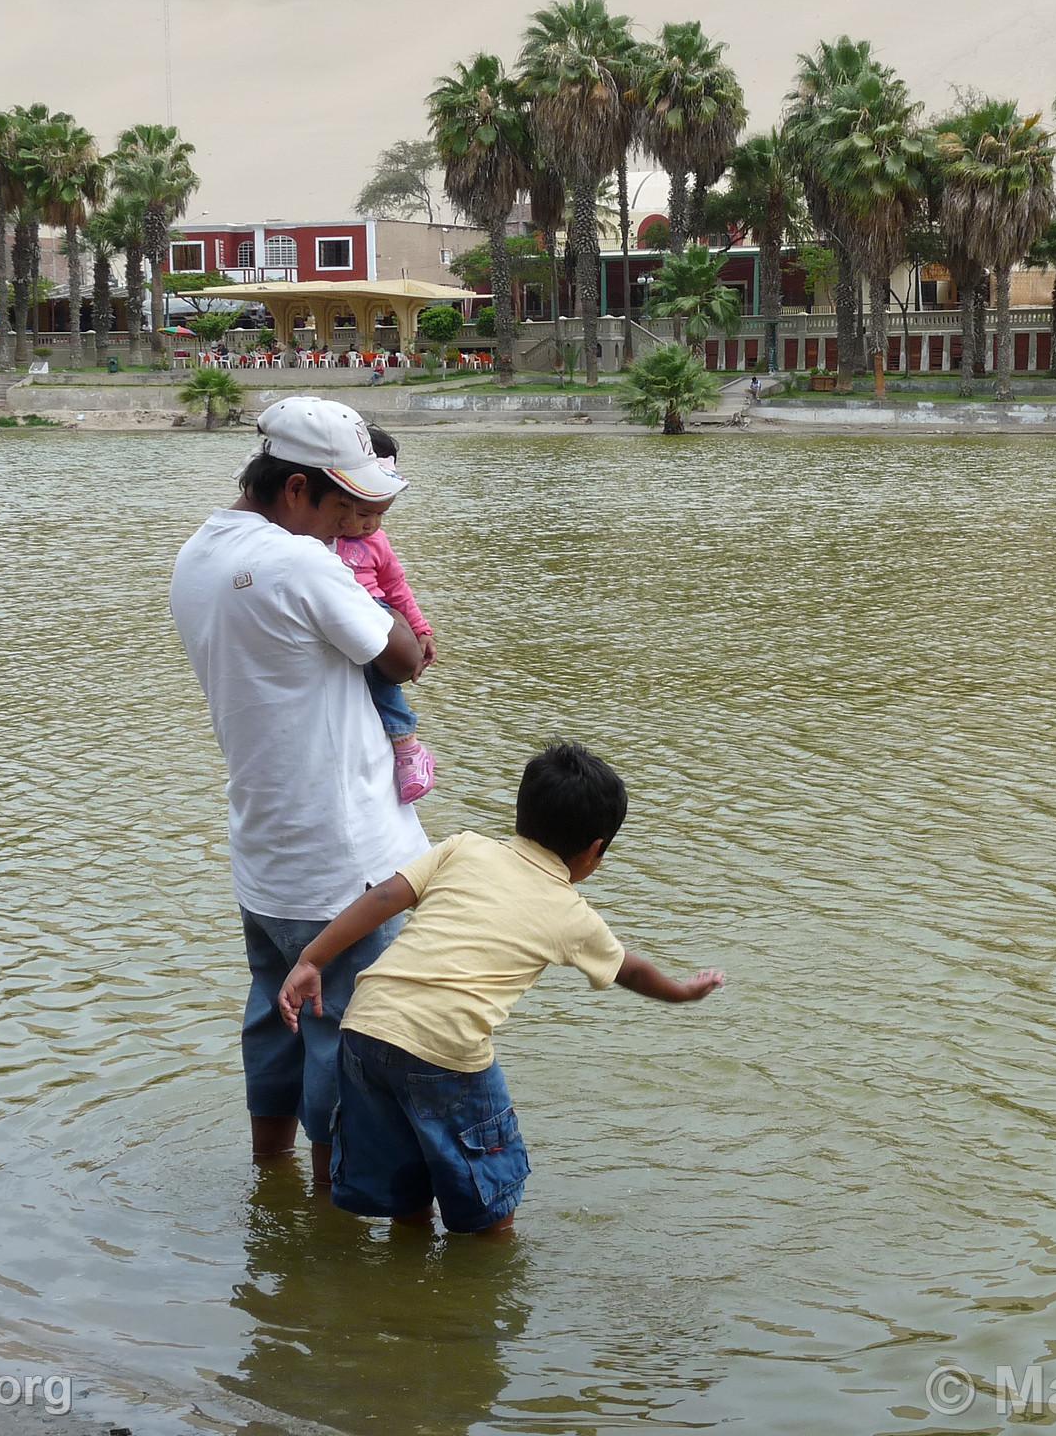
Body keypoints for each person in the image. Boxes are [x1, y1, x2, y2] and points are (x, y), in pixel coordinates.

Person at [277, 743, 725, 1234]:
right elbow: (629, 969)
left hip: (366, 1027)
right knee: (490, 1204)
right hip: (446, 1049)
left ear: (521, 810)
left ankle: (401, 1286)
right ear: (596, 849)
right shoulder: (569, 912)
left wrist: (311, 959)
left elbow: (384, 896)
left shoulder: (464, 847)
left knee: (402, 1187)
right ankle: (478, 1284)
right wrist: (682, 992)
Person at [169, 395, 430, 1184]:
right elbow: (403, 657)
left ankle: (269, 1179)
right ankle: (329, 1215)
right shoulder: (299, 561)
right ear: (296, 490)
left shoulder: (198, 552)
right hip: (342, 861)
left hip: (264, 852)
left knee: (274, 1022)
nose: (353, 528)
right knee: (344, 1037)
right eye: (343, 506)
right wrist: (392, 610)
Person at [333, 425, 438, 803]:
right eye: (364, 513)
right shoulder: (314, 538)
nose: (370, 524)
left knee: (381, 682)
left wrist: (420, 628)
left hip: (373, 611)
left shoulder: (375, 540)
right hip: (341, 611)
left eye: (379, 515)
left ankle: (406, 744)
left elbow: (396, 586)